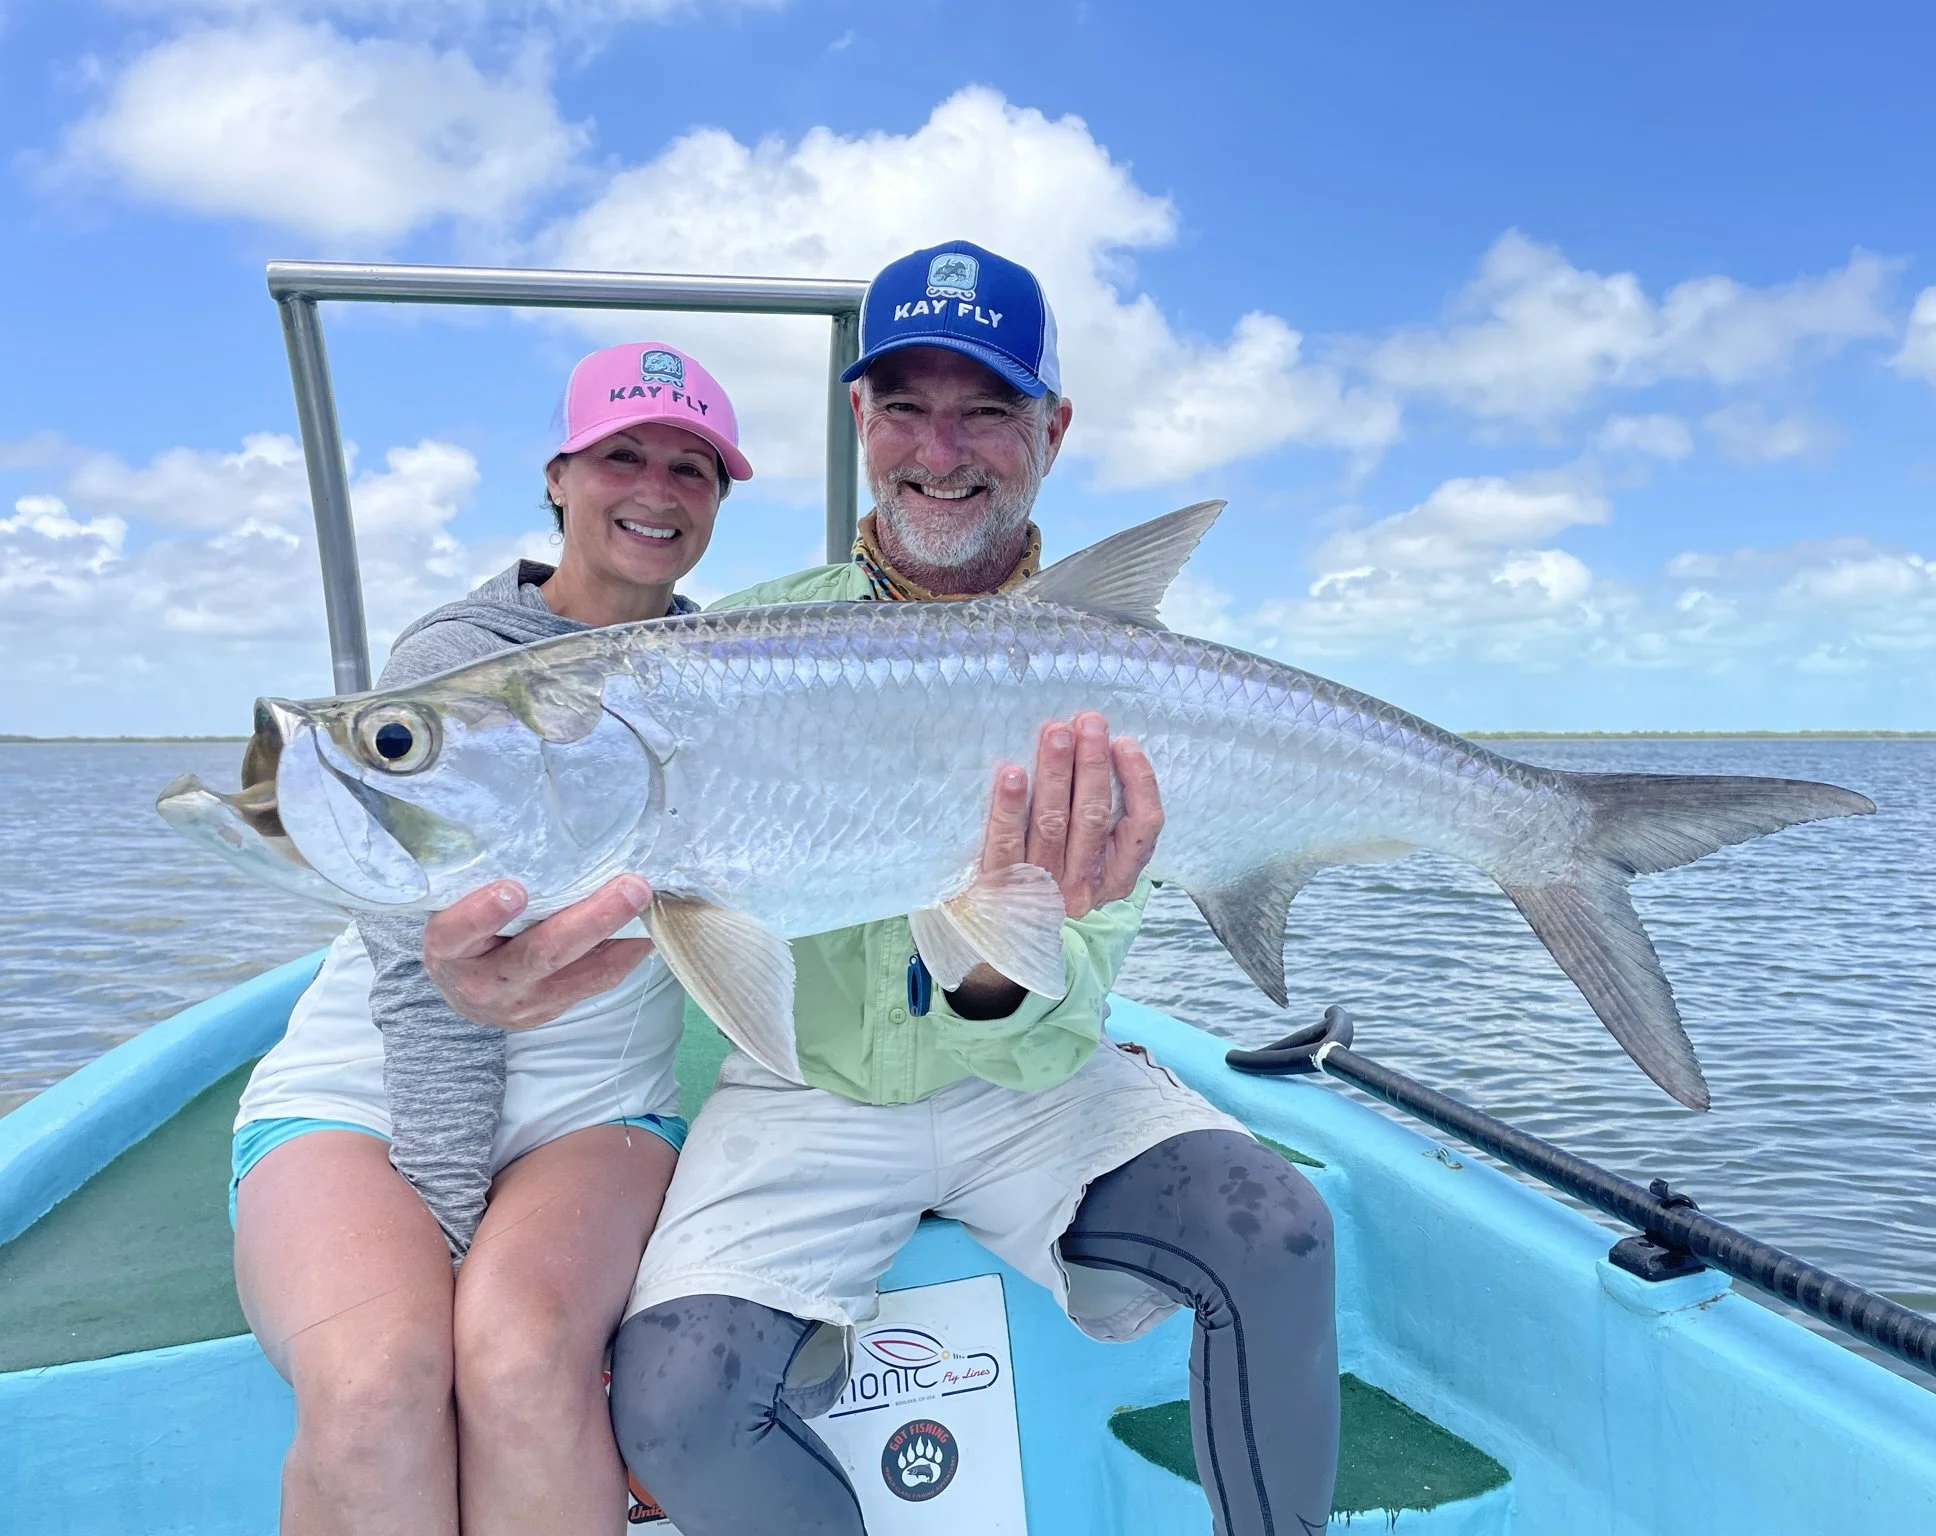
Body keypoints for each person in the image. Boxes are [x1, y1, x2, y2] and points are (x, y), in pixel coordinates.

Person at [426, 242, 1341, 1535]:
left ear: (1053, 430)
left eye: (986, 409)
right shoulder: (730, 646)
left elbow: (1053, 1004)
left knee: (1280, 1233)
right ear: (861, 416)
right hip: (810, 1090)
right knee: (678, 1405)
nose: (940, 446)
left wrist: (1003, 930)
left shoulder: (1124, 687)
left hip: (1035, 1083)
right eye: (906, 404)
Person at [229, 340, 749, 1536]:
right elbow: (425, 989)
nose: (657, 490)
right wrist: (447, 1224)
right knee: (376, 1385)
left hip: (595, 1106)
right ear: (558, 475)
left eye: (695, 467)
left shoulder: (730, 674)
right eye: (623, 454)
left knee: (517, 1368)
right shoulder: (443, 675)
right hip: (372, 1094)